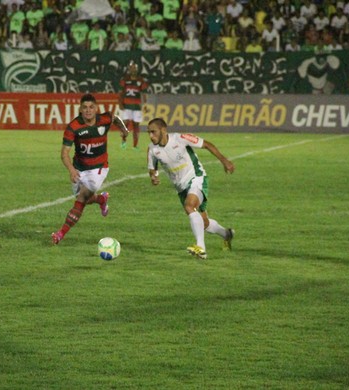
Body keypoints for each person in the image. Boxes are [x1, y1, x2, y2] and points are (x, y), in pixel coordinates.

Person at [146, 118, 235, 259]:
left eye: (153, 132)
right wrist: (154, 177)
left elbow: (207, 145)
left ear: (163, 130)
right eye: (149, 133)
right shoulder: (152, 149)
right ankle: (226, 234)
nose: (151, 136)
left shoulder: (180, 138)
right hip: (181, 188)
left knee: (189, 206)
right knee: (204, 223)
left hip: (196, 177)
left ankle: (201, 248)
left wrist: (224, 161)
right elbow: (152, 169)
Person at [51, 94, 129, 245]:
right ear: (80, 109)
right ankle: (101, 199)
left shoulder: (104, 120)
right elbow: (64, 153)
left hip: (99, 168)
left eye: (91, 107)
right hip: (79, 168)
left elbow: (115, 118)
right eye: (85, 107)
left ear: (96, 108)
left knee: (81, 198)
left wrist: (124, 130)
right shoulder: (73, 127)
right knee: (84, 198)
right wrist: (72, 170)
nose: (88, 110)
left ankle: (60, 234)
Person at [119, 61, 149, 150]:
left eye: (134, 68)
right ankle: (124, 141)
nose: (133, 69)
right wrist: (120, 103)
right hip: (126, 105)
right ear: (129, 69)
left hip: (137, 107)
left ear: (137, 69)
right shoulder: (125, 80)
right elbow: (121, 93)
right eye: (131, 68)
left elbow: (143, 93)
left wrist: (145, 105)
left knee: (136, 126)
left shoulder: (140, 80)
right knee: (126, 124)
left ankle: (135, 145)